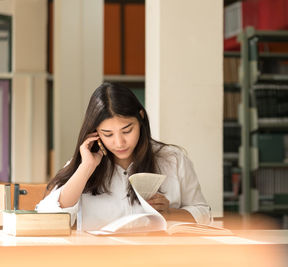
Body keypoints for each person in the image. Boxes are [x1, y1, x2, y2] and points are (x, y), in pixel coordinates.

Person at [36, 82, 212, 230]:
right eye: (108, 134)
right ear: (95, 132)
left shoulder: (173, 159)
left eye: (127, 130)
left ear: (141, 118)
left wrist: (170, 213)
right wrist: (86, 168)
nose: (119, 143)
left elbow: (204, 214)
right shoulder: (85, 165)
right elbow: (47, 217)